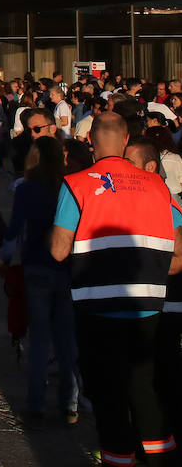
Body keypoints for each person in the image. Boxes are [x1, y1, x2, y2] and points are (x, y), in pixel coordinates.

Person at [51, 112, 182, 466]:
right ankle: (161, 458)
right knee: (144, 388)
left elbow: (59, 250)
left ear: (90, 140)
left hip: (96, 305)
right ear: (126, 141)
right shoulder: (157, 186)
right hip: (147, 305)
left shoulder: (76, 183)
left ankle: (118, 459)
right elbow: (177, 258)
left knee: (108, 393)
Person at [2, 136, 79, 424]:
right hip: (66, 267)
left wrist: (5, 260)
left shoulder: (26, 189)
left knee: (39, 340)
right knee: (66, 340)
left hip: (36, 265)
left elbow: (14, 231)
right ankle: (68, 403)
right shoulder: (68, 187)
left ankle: (35, 404)